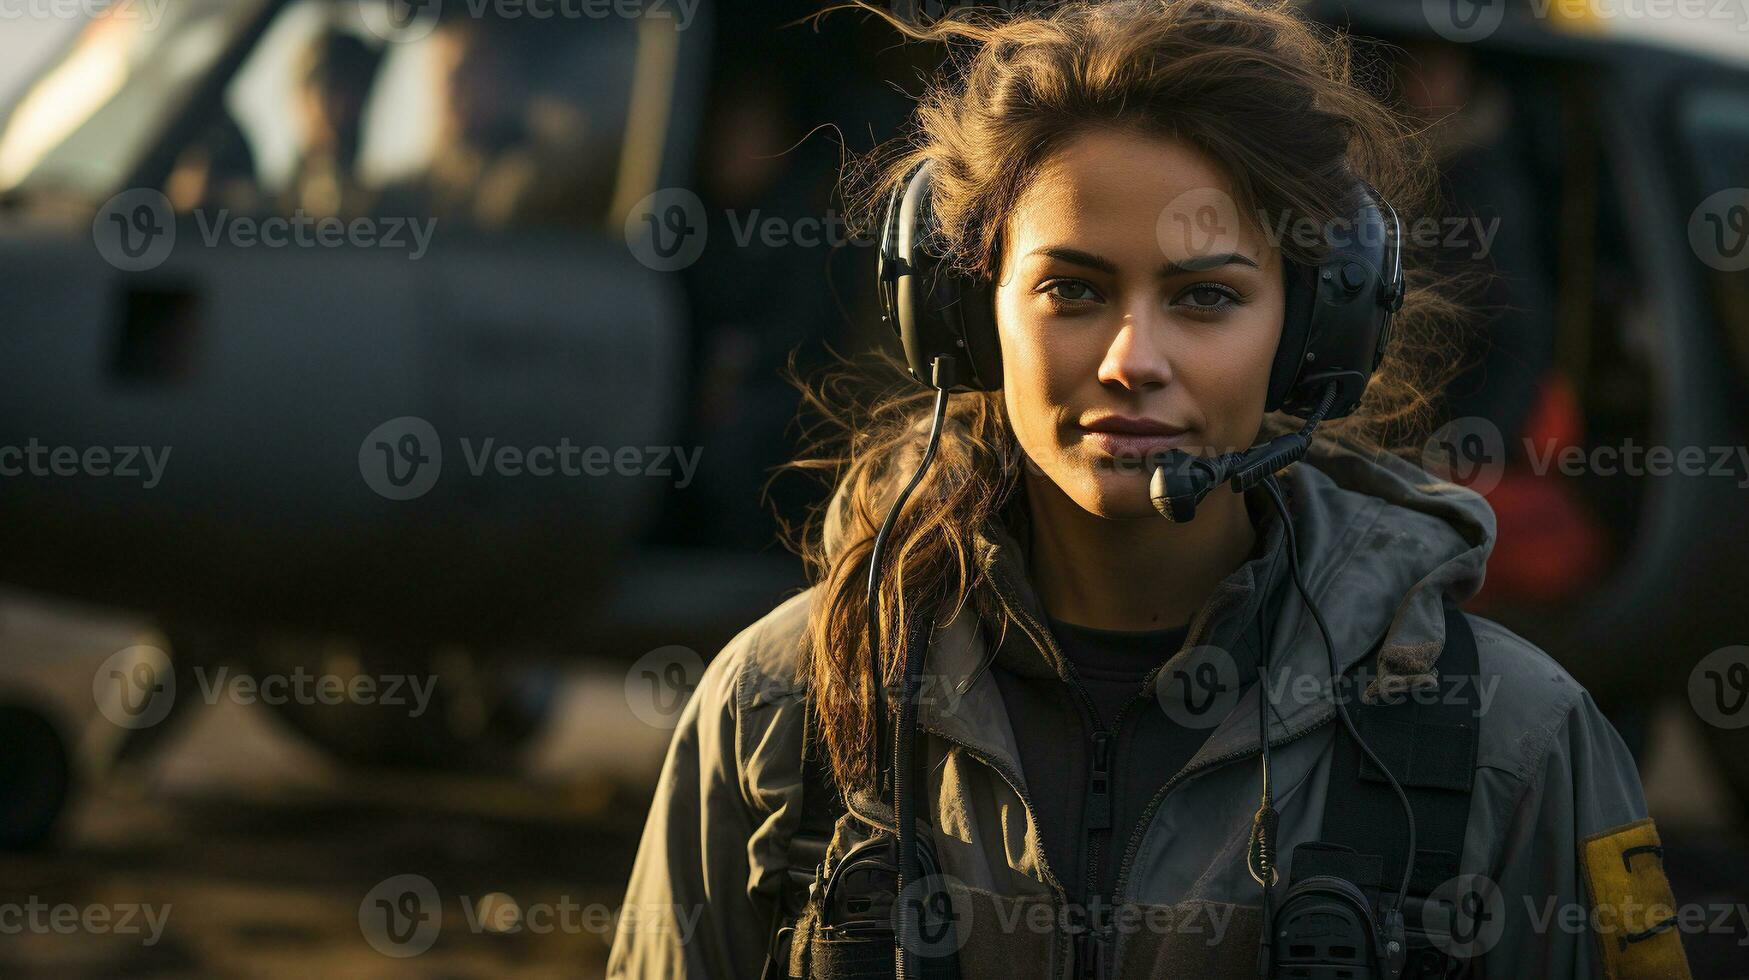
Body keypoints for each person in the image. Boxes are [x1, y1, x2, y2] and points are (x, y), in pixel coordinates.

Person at [607, 2, 1688, 978]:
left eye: (1205, 296)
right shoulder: (784, 709)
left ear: (1314, 332)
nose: (1132, 355)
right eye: (1072, 287)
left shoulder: (1514, 738)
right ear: (963, 313)